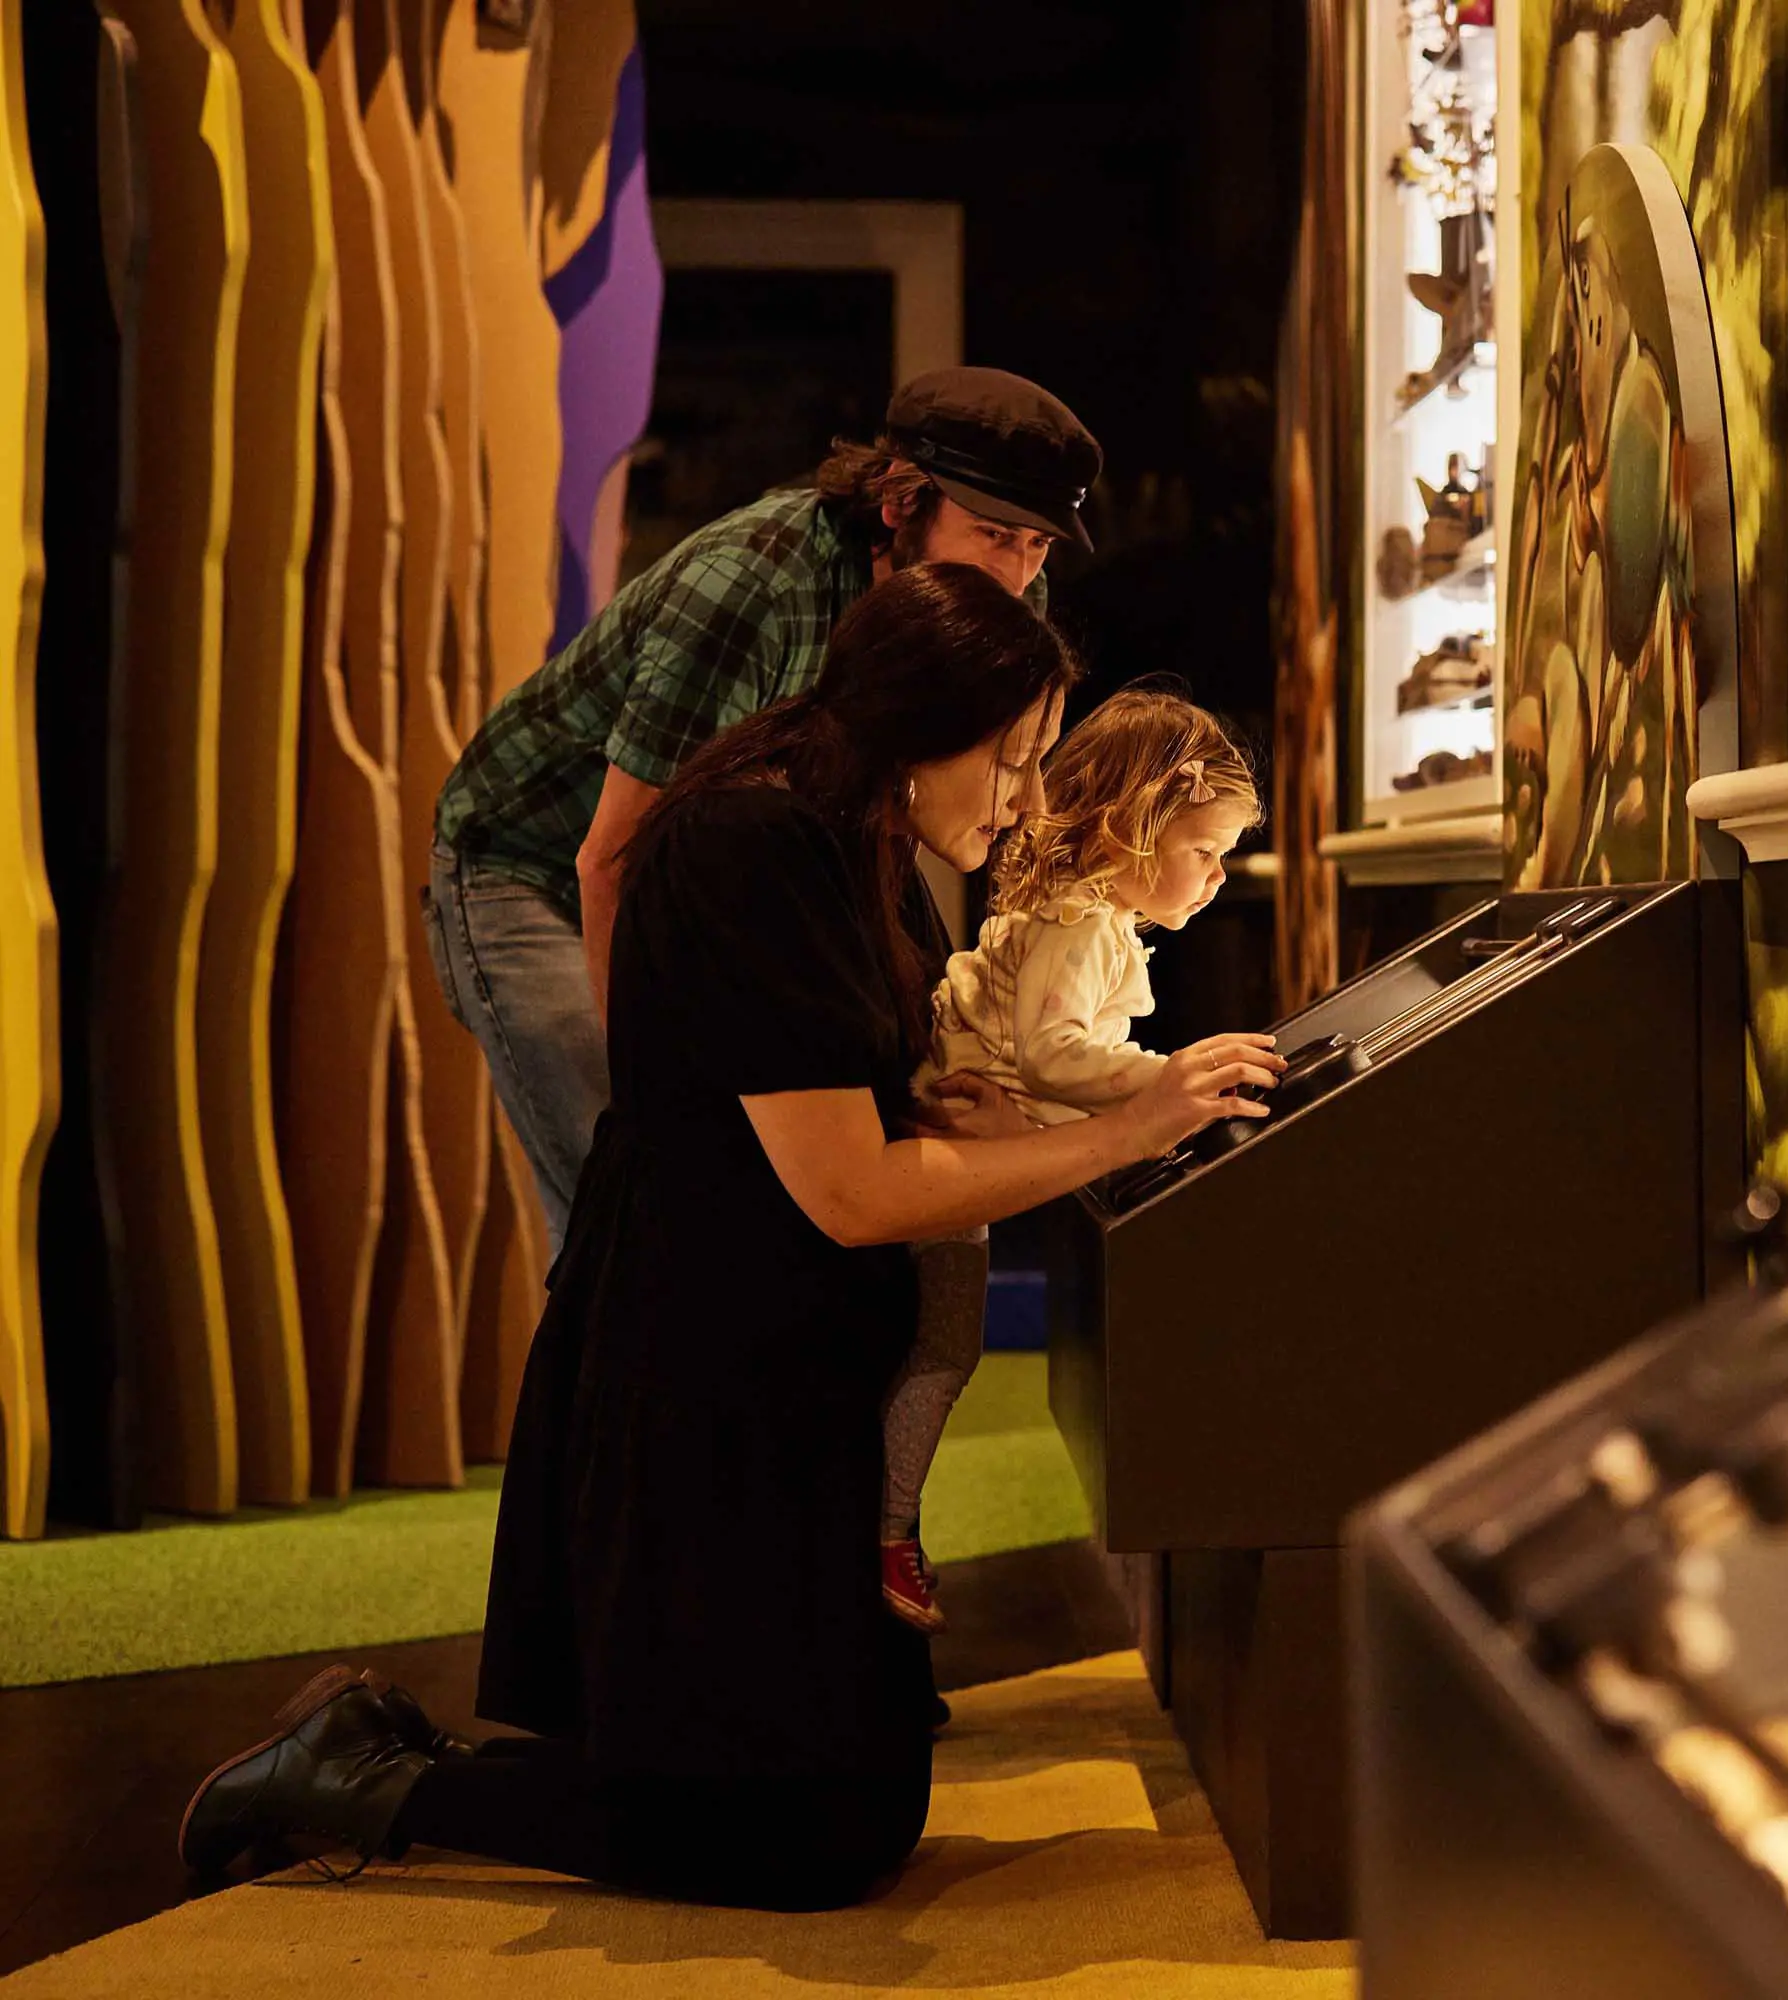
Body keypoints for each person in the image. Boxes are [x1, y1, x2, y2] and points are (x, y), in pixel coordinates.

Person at [181, 567, 1284, 1911]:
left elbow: (858, 1101)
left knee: (863, 1809)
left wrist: (951, 1101)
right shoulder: (754, 843)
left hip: (791, 1374)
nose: (1022, 799)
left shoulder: (869, 840)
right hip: (701, 1375)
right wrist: (1125, 1127)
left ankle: (396, 1752)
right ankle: (368, 1778)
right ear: (922, 723)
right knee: (800, 1841)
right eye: (1011, 759)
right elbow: (846, 1193)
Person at [428, 367, 1102, 1247]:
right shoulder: (753, 587)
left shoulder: (996, 599)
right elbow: (614, 856)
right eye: (993, 536)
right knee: (638, 1195)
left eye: (1037, 546)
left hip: (696, 869)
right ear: (903, 502)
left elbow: (896, 814)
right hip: (536, 866)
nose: (1016, 575)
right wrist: (658, 1101)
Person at [878, 688, 1264, 1632]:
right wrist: (1164, 1082)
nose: (1216, 879)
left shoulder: (1075, 914)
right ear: (1138, 827)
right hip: (954, 1158)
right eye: (1203, 853)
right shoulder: (1083, 925)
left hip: (968, 1137)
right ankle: (886, 1528)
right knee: (941, 1345)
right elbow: (1053, 1053)